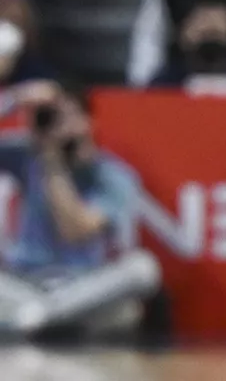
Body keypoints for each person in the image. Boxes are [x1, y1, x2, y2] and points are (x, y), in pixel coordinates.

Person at [0, 83, 160, 337]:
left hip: (83, 285)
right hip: (24, 282)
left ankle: (38, 318)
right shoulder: (26, 154)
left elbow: (74, 229)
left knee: (142, 269)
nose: (60, 127)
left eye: (69, 117)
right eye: (54, 117)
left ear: (89, 122)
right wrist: (12, 101)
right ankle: (45, 318)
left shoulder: (113, 176)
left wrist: (52, 164)